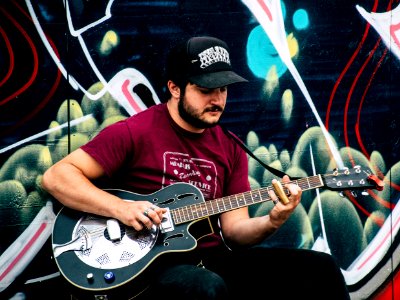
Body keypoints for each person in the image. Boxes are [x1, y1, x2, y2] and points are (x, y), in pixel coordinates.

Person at [42, 36, 350, 299]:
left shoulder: (230, 147)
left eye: (224, 89)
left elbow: (234, 232)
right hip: (148, 266)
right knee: (204, 288)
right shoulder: (136, 131)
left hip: (211, 258)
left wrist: (274, 219)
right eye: (206, 89)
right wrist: (122, 208)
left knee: (320, 270)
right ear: (175, 88)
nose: (217, 99)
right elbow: (57, 177)